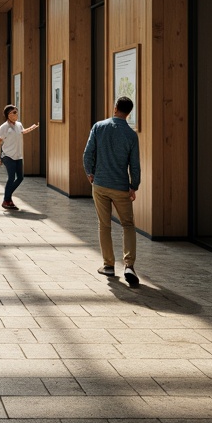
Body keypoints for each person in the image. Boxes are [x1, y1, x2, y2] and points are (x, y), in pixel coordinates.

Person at [83, 96, 141, 285]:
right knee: (128, 225)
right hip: (121, 186)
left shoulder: (99, 127)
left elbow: (88, 152)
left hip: (100, 184)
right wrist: (134, 186)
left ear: (115, 108)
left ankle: (108, 265)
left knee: (104, 224)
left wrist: (90, 173)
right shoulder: (131, 135)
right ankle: (129, 265)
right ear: (129, 112)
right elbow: (135, 165)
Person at [0, 105, 39, 210]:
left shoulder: (19, 125)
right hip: (7, 156)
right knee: (11, 177)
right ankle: (7, 200)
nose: (16, 114)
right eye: (14, 112)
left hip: (18, 155)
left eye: (16, 112)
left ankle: (7, 198)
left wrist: (32, 128)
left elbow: (22, 132)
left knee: (20, 177)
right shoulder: (4, 127)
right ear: (8, 115)